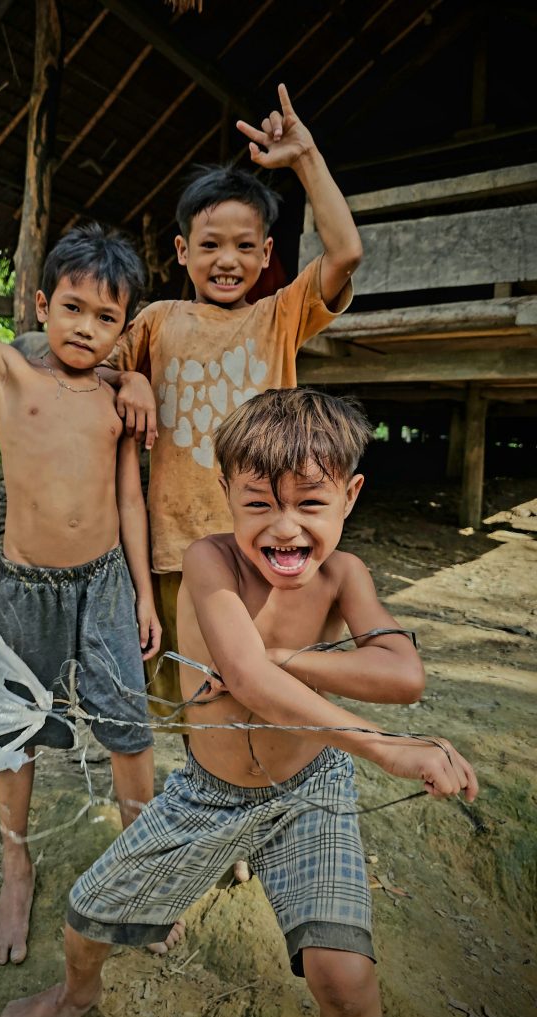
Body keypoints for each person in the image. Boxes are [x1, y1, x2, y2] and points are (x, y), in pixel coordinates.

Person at [0, 388, 478, 1017]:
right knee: (87, 920)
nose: (285, 528)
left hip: (312, 786)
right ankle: (74, 998)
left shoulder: (345, 577)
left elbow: (404, 675)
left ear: (351, 496)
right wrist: (387, 745)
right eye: (258, 504)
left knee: (346, 980)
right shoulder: (211, 561)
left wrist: (283, 657)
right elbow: (246, 680)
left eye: (311, 504)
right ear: (226, 491)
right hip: (209, 793)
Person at [0, 140, 176, 966]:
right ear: (42, 302)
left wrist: (145, 597)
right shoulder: (10, 373)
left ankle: (140, 873)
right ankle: (15, 868)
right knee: (13, 735)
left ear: (123, 327)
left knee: (130, 733)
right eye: (73, 310)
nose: (87, 330)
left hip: (106, 586)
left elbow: (129, 498)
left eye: (107, 318)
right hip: (26, 591)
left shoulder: (118, 400)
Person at [103, 84, 363, 754]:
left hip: (262, 547)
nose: (228, 260)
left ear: (266, 252)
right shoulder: (157, 322)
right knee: (192, 693)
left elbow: (344, 255)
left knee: (260, 682)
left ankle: (256, 801)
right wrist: (129, 374)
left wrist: (306, 161)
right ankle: (208, 802)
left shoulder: (279, 315)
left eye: (244, 246)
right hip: (176, 551)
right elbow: (92, 363)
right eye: (211, 245)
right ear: (182, 251)